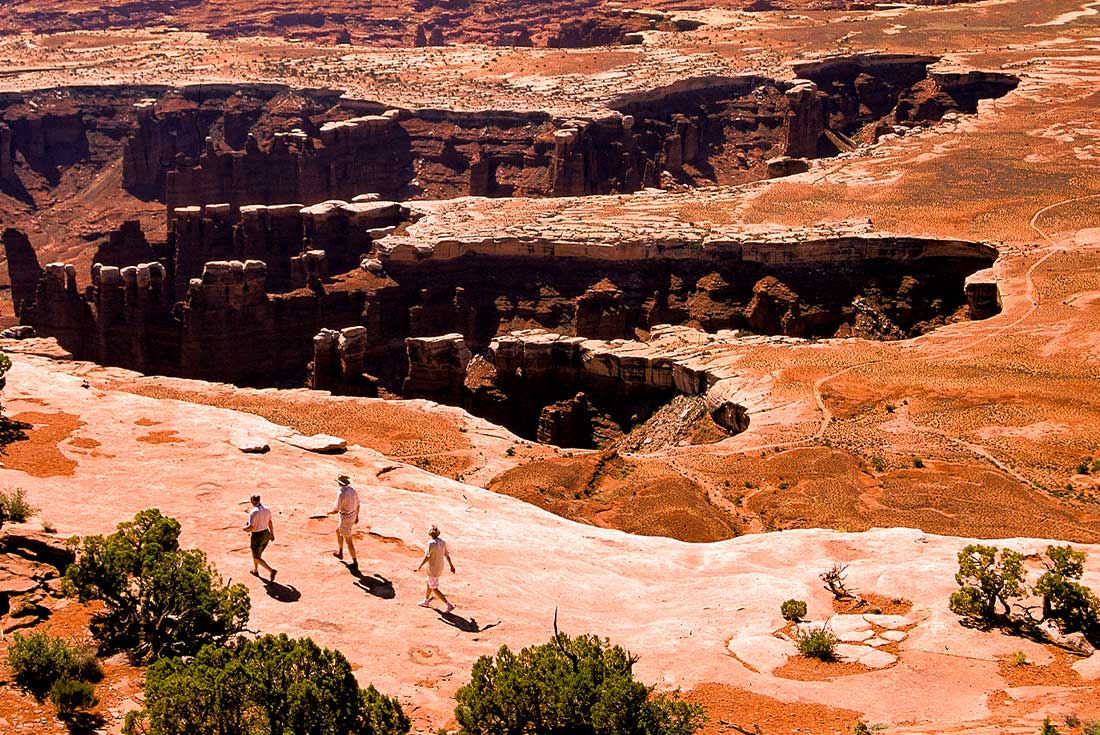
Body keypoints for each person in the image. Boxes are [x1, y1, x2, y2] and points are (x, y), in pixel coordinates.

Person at [416, 525, 455, 612]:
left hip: (433, 567)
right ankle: (426, 601)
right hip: (440, 566)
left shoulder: (430, 543)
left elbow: (428, 556)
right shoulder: (442, 542)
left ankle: (449, 605)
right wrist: (451, 566)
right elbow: (447, 555)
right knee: (428, 582)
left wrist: (420, 565)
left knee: (433, 587)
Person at [328, 474, 360, 567]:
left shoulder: (341, 493)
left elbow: (336, 509)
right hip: (352, 514)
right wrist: (357, 516)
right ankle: (340, 552)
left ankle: (355, 563)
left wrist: (329, 512)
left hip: (345, 518)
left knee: (349, 542)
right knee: (338, 531)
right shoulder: (352, 490)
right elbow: (358, 504)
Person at [243, 494, 276, 581]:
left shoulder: (254, 512)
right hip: (266, 534)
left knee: (257, 556)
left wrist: (244, 529)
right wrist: (272, 534)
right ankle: (255, 570)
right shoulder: (267, 509)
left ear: (253, 501)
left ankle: (271, 571)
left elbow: (251, 527)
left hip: (257, 536)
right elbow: (270, 522)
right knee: (257, 554)